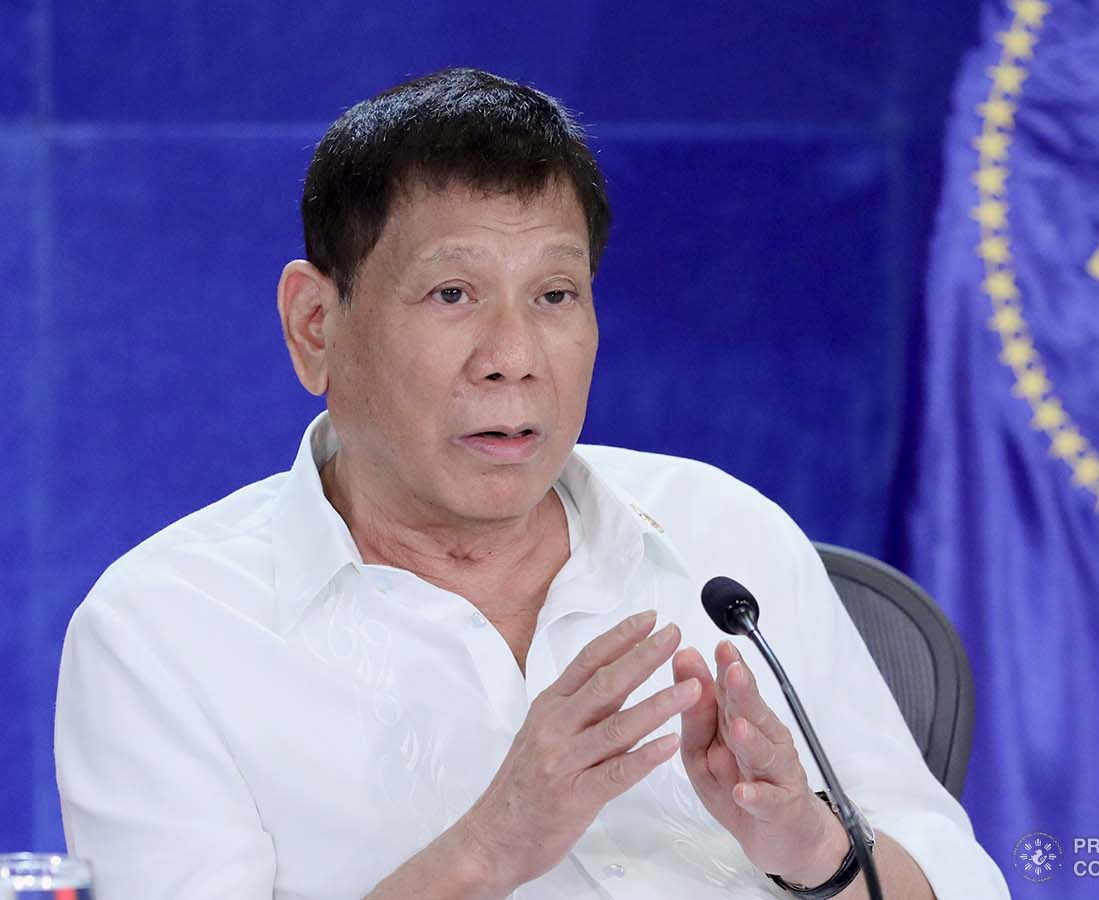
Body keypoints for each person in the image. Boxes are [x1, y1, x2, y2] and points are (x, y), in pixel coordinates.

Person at [54, 68, 1010, 900]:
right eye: (453, 294)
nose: (513, 358)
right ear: (316, 324)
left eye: (555, 296)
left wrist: (807, 844)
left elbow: (955, 879)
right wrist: (486, 852)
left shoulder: (725, 539)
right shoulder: (165, 632)